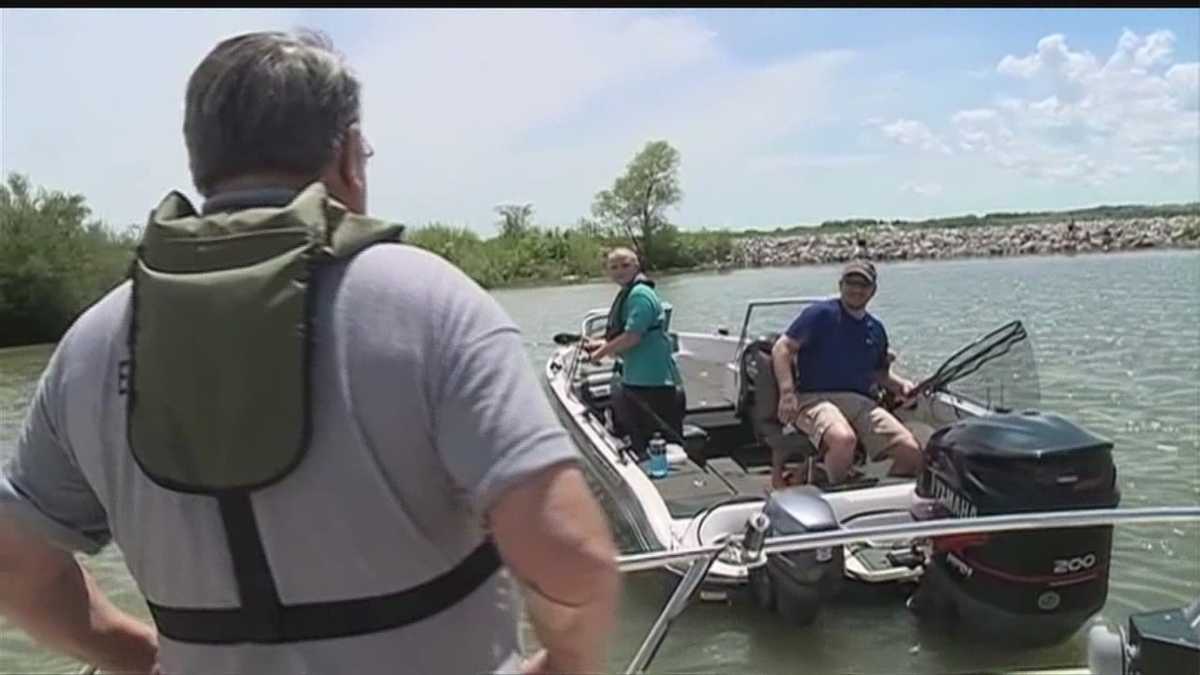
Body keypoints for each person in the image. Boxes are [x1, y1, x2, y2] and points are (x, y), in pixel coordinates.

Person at [0, 30, 619, 675]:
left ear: (202, 162)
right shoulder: (429, 303)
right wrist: (568, 664)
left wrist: (138, 654)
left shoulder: (92, 343)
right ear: (349, 155)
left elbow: (13, 560)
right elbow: (572, 558)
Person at [770, 260, 923, 489]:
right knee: (843, 440)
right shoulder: (820, 314)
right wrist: (787, 393)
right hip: (815, 399)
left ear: (873, 291)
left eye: (863, 284)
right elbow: (782, 348)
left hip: (861, 403)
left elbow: (879, 374)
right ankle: (837, 494)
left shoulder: (876, 329)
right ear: (840, 285)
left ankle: (875, 495)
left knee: (911, 453)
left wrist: (901, 386)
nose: (856, 289)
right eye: (850, 283)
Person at [583, 247, 685, 460]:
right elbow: (630, 333)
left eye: (625, 265)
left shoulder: (639, 295)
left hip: (652, 382)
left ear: (637, 265)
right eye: (614, 267)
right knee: (638, 433)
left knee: (649, 440)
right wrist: (598, 343)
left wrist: (600, 353)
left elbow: (633, 337)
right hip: (638, 377)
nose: (620, 271)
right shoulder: (630, 292)